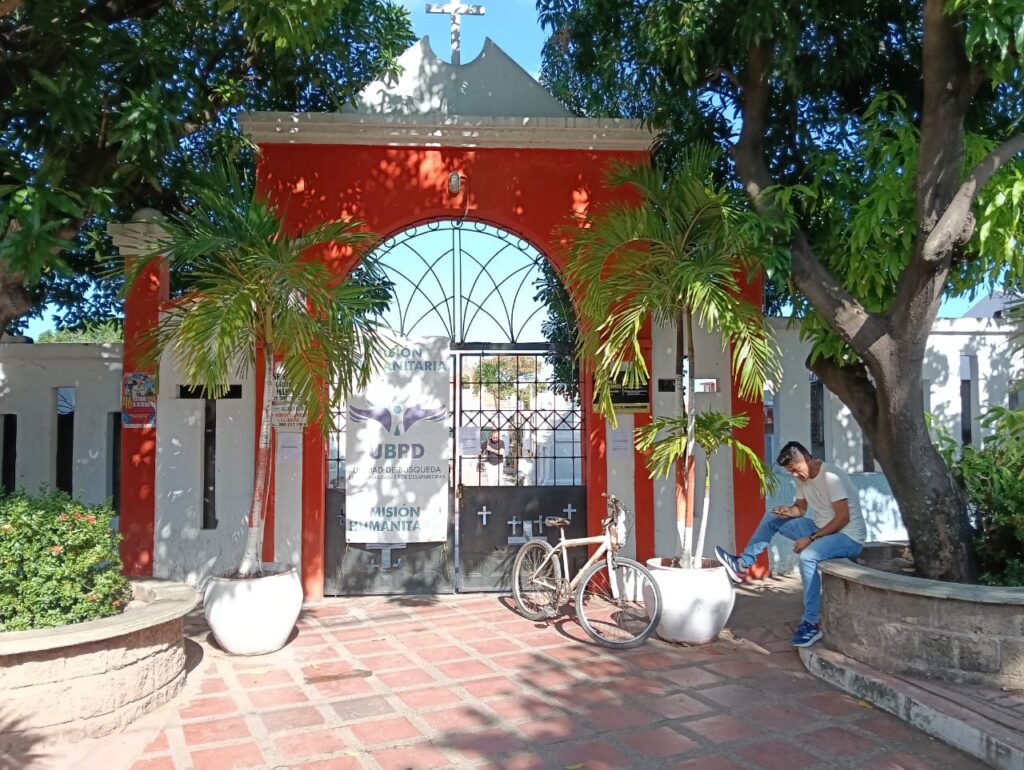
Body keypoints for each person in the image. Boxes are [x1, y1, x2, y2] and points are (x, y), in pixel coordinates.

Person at [714, 440, 866, 648]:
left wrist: (811, 539)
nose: (794, 475)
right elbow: (800, 509)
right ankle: (741, 565)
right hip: (821, 528)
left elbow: (842, 518)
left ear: (807, 459)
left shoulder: (830, 477)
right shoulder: (802, 479)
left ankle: (811, 623)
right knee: (772, 517)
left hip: (847, 536)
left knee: (808, 557)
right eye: (790, 471)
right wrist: (788, 511)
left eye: (795, 469)